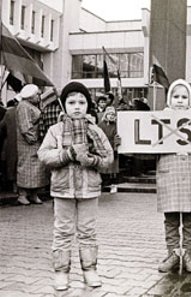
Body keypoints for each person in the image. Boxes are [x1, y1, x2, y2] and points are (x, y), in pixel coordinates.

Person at [38, 81, 114, 291]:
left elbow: (108, 157)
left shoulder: (95, 131)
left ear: (88, 105)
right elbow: (43, 154)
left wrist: (91, 160)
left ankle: (90, 269)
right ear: (64, 105)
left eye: (82, 102)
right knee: (62, 231)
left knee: (87, 231)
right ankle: (61, 272)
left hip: (89, 189)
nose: (77, 106)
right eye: (71, 102)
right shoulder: (55, 130)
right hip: (63, 189)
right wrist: (67, 154)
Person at [156, 79, 191, 274]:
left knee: (190, 218)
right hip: (169, 171)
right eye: (176, 96)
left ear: (190, 100)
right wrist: (125, 143)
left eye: (184, 97)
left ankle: (189, 253)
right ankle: (173, 253)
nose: (179, 101)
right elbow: (146, 149)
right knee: (171, 218)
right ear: (169, 99)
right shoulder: (158, 119)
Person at [16, 84, 49, 205]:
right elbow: (25, 127)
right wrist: (33, 138)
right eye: (37, 95)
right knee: (25, 168)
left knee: (36, 170)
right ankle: (22, 195)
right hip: (28, 142)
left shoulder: (31, 105)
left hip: (35, 142)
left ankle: (34, 194)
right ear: (30, 96)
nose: (39, 97)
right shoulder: (23, 106)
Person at [98, 106, 121, 191]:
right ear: (106, 114)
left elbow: (117, 136)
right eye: (110, 114)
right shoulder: (100, 125)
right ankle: (102, 185)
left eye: (113, 114)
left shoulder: (116, 125)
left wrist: (115, 147)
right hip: (103, 147)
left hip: (112, 146)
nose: (111, 116)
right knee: (103, 167)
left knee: (113, 168)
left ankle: (113, 185)